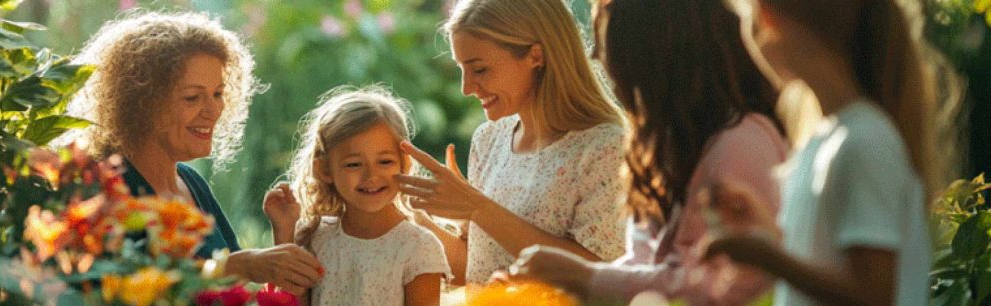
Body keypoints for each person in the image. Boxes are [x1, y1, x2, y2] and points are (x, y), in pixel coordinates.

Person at [506, 0, 788, 304]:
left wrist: (583, 276)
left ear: (653, 54)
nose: (595, 54)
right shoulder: (666, 145)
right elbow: (644, 266)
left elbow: (721, 286)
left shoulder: (738, 145)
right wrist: (560, 283)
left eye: (610, 40)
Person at [702, 0, 960, 305]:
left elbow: (874, 295)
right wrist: (766, 234)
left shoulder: (864, 141)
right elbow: (831, 264)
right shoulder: (827, 137)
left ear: (769, 19)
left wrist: (769, 258)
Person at [67, 11, 323, 295]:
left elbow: (231, 295)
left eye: (217, 94)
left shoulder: (191, 183)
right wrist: (242, 265)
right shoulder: (104, 190)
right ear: (141, 102)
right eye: (192, 97)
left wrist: (282, 236)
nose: (213, 111)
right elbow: (126, 290)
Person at [393, 0, 629, 288]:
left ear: (535, 56)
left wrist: (478, 208)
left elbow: (605, 277)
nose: (466, 88)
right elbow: (476, 265)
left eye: (479, 69)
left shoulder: (605, 148)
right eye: (462, 70)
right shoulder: (489, 139)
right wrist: (408, 215)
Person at [265, 86, 450, 306]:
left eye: (385, 162)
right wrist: (284, 231)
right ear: (324, 170)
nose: (371, 175)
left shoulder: (419, 247)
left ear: (405, 164)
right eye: (354, 164)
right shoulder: (315, 238)